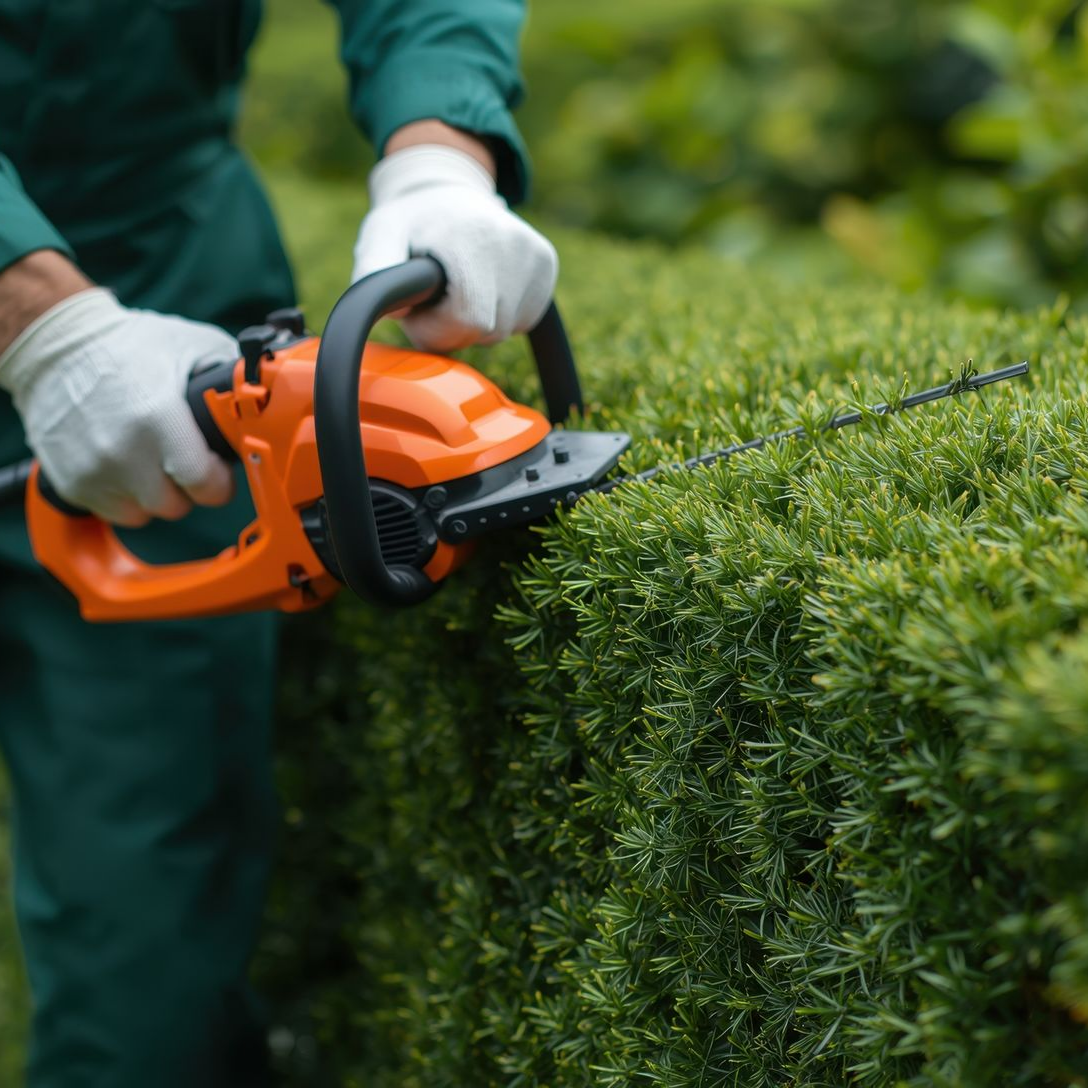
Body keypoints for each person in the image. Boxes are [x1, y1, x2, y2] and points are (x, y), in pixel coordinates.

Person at [0, 2, 556, 1085]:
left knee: (144, 982)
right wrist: (38, 315)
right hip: (89, 335)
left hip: (161, 313)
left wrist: (438, 153)